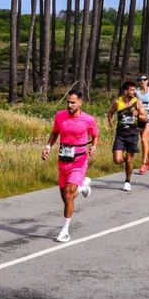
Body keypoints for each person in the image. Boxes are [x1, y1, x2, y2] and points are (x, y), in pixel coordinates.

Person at [43, 90, 97, 243]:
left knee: (68, 194)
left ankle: (65, 231)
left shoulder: (88, 119)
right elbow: (55, 133)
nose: (70, 105)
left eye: (73, 102)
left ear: (80, 103)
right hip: (63, 160)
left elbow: (95, 135)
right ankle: (83, 187)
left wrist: (94, 147)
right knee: (66, 197)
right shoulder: (60, 116)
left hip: (79, 161)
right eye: (68, 102)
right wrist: (48, 147)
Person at [109, 81, 148, 192]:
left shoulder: (137, 102)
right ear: (126, 91)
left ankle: (127, 181)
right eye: (132, 90)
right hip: (120, 135)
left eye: (135, 90)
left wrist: (138, 114)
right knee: (117, 160)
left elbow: (145, 118)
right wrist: (110, 120)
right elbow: (110, 113)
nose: (134, 92)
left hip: (133, 135)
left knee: (130, 160)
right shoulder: (117, 102)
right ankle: (127, 162)